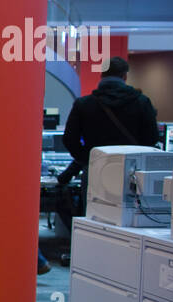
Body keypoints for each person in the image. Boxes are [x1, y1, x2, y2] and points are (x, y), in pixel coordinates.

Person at [62, 56, 159, 217]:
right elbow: (151, 139)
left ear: (101, 75)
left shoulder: (84, 104)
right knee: (131, 218)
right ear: (124, 76)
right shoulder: (142, 102)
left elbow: (69, 139)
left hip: (96, 170)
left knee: (94, 217)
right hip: (132, 173)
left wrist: (88, 158)